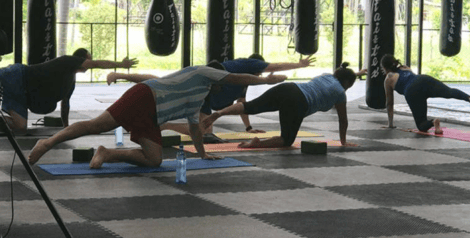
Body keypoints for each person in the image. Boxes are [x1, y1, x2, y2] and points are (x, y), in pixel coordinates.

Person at [28, 62, 287, 168]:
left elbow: (195, 128)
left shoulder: (199, 95)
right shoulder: (202, 71)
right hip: (144, 98)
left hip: (152, 115)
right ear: (216, 74)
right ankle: (47, 143)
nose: (224, 84)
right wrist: (265, 80)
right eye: (222, 79)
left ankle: (106, 153)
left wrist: (203, 152)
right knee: (97, 125)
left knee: (154, 160)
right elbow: (236, 77)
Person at [107, 54, 315, 144]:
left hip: (207, 97)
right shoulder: (250, 65)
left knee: (205, 132)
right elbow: (275, 67)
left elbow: (241, 104)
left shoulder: (246, 81)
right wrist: (299, 66)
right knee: (162, 83)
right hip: (204, 88)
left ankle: (163, 125)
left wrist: (249, 129)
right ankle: (122, 76)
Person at [201, 62, 362, 148]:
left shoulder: (326, 75)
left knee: (249, 106)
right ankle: (257, 144)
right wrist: (343, 141)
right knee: (286, 141)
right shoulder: (340, 92)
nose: (347, 89)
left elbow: (341, 75)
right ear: (346, 83)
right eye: (349, 85)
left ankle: (219, 113)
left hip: (288, 88)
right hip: (298, 102)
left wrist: (356, 73)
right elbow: (343, 120)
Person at [0, 48, 138, 133]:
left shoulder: (70, 83)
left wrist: (66, 128)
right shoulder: (66, 61)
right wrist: (121, 64)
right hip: (16, 76)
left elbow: (65, 105)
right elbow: (97, 64)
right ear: (80, 60)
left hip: (21, 95)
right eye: (88, 60)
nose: (90, 64)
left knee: (20, 128)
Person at [381, 54, 470, 134]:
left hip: (412, 92)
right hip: (423, 79)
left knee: (421, 126)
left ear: (385, 67)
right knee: (449, 92)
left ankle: (433, 122)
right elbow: (412, 79)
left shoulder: (388, 79)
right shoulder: (405, 67)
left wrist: (390, 124)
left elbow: (389, 103)